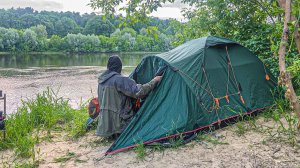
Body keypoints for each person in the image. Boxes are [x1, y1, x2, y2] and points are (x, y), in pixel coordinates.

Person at [96, 55, 162, 138]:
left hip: (106, 126)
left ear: (108, 66)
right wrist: (155, 80)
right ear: (119, 67)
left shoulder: (101, 81)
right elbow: (139, 92)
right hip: (121, 125)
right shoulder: (120, 80)